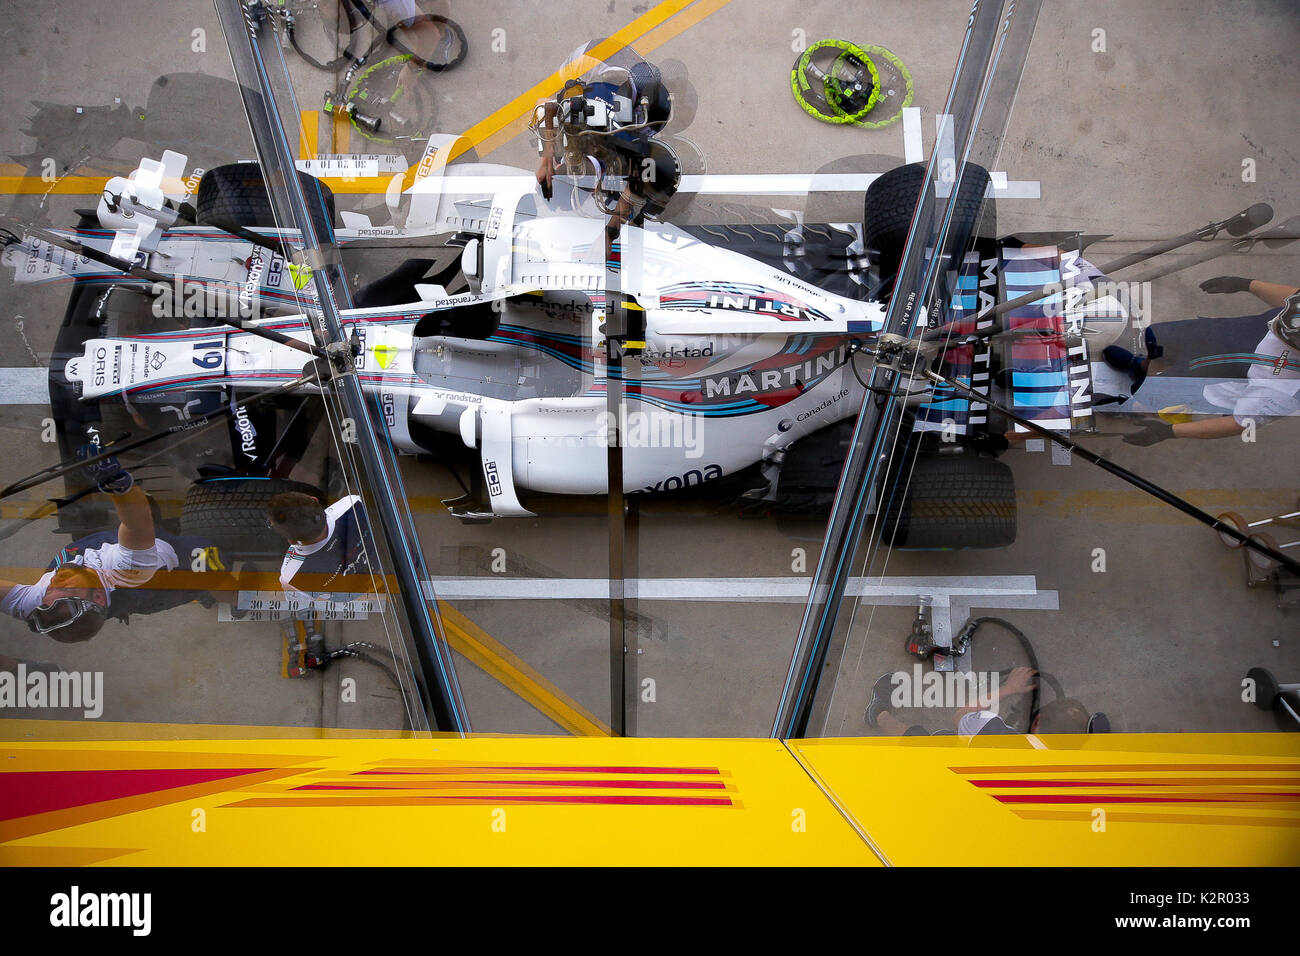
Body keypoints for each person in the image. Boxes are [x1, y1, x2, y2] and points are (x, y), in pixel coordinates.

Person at [0, 448, 180, 642]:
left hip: (99, 546)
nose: (53, 583)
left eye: (47, 592)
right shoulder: (125, 574)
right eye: (67, 589)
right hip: (168, 551)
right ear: (98, 599)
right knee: (211, 560)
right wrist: (118, 484)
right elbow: (138, 525)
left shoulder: (39, 601)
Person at [1110, 277, 1300, 444]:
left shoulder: (1285, 390)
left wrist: (1169, 432)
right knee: (1155, 337)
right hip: (1216, 335)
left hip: (1212, 384)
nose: (1274, 324)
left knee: (1151, 396)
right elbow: (1292, 296)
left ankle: (1130, 408)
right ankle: (1140, 367)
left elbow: (1239, 423)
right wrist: (1248, 284)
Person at [265, 492, 372, 600]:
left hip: (352, 595)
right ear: (315, 499)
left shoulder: (291, 577)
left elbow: (299, 604)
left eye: (270, 524)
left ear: (292, 541)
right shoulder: (354, 504)